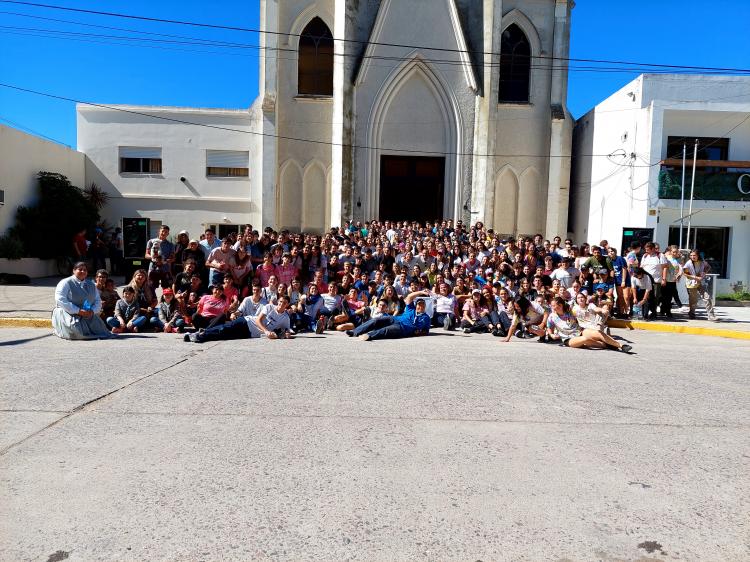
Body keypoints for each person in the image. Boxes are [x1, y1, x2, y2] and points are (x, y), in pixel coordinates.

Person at [185, 294, 293, 343]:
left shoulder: (285, 318)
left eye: (284, 303)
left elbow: (287, 330)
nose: (281, 304)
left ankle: (203, 335)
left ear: (287, 305)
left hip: (250, 334)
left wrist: (286, 335)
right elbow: (258, 320)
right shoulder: (269, 307)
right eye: (280, 302)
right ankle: (199, 335)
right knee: (224, 328)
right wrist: (267, 331)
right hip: (247, 322)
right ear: (277, 302)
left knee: (224, 336)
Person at [52, 261, 112, 340]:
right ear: (74, 270)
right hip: (69, 312)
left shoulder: (91, 285)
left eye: (85, 270)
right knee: (77, 333)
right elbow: (60, 299)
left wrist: (92, 311)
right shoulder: (65, 282)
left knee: (101, 331)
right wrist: (78, 311)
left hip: (87, 313)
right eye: (80, 269)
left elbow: (97, 300)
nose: (83, 272)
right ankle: (60, 330)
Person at [349, 289, 432, 341]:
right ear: (416, 305)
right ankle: (355, 332)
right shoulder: (411, 308)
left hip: (403, 328)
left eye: (422, 305)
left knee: (386, 330)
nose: (420, 306)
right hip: (395, 319)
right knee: (377, 320)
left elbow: (426, 331)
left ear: (425, 306)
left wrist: (418, 333)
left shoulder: (426, 318)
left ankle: (369, 336)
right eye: (419, 304)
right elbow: (410, 297)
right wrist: (421, 292)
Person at [682, 250, 716, 321]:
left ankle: (711, 315)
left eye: (694, 255)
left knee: (707, 297)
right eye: (691, 255)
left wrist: (703, 273)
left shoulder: (702, 262)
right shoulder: (688, 263)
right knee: (693, 300)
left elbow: (708, 267)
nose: (692, 257)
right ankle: (692, 313)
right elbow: (685, 274)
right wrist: (695, 277)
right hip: (691, 283)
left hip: (701, 282)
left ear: (698, 255)